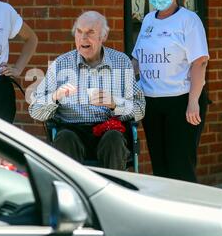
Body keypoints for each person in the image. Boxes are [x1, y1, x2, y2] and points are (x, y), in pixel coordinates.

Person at [29, 11, 145, 170]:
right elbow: (35, 111)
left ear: (103, 36)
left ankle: (112, 191)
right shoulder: (61, 64)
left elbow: (140, 108)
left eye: (90, 32)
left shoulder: (121, 62)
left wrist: (115, 103)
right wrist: (55, 97)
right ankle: (71, 192)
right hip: (72, 130)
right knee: (65, 139)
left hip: (109, 129)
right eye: (79, 32)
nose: (83, 38)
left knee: (114, 139)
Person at [131, 0, 209, 183]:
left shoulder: (188, 20)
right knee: (161, 168)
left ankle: (188, 214)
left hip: (182, 101)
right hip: (152, 103)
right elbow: (137, 60)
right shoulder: (148, 20)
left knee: (180, 167)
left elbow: (200, 62)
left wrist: (193, 101)